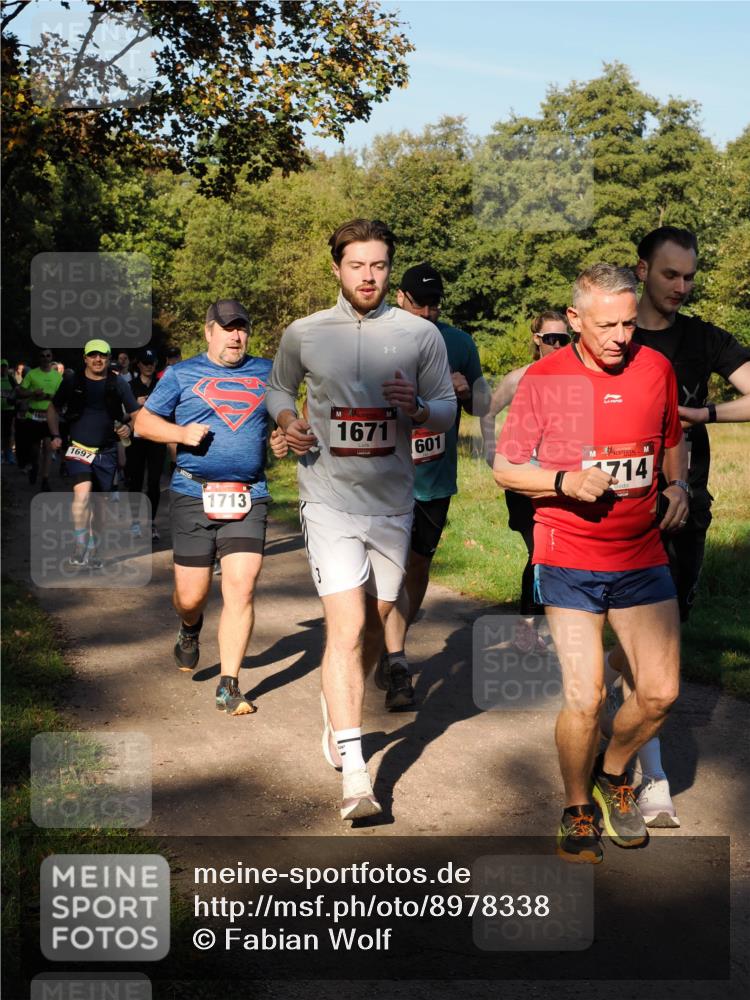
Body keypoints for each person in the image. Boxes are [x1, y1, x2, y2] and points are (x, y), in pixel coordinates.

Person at [494, 264, 688, 864]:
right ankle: (578, 808)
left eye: (629, 323)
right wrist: (563, 480)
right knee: (586, 696)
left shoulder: (654, 367)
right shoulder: (547, 378)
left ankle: (613, 772)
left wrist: (678, 487)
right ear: (575, 319)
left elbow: (670, 437)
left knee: (659, 692)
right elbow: (506, 468)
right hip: (570, 553)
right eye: (607, 325)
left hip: (640, 553)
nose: (620, 337)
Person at [267, 219, 456, 821]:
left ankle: (336, 697)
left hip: (394, 502)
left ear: (388, 269)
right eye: (357, 266)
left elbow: (448, 411)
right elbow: (277, 389)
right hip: (326, 498)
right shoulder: (305, 332)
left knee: (376, 625)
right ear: (337, 269)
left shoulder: (419, 335)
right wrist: (287, 421)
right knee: (345, 628)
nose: (368, 276)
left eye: (378, 266)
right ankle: (355, 774)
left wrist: (421, 409)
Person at [603, 226, 750, 828]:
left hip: (684, 509)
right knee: (652, 650)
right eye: (670, 275)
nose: (681, 287)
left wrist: (701, 412)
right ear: (642, 271)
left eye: (689, 277)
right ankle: (653, 771)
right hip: (612, 516)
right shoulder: (616, 336)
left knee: (658, 646)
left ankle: (609, 686)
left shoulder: (703, 339)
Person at [135, 300, 279, 717]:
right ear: (209, 332)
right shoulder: (181, 374)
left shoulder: (268, 371)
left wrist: (284, 436)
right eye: (228, 328)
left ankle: (229, 685)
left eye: (243, 328)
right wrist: (180, 432)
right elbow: (144, 424)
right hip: (193, 493)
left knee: (242, 585)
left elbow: (288, 416)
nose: (236, 336)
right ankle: (189, 626)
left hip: (248, 494)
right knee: (191, 595)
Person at [377, 262, 490, 709]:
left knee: (416, 570)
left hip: (433, 480)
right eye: (418, 302)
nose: (426, 312)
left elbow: (484, 405)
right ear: (400, 297)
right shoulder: (377, 338)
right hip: (381, 479)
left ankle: (394, 650)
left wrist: (466, 392)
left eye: (434, 304)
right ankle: (392, 655)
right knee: (385, 571)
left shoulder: (459, 343)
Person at [480, 312, 571, 652]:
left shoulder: (575, 377)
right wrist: (493, 454)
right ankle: (527, 629)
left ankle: (546, 625)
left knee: (555, 553)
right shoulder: (520, 378)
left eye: (565, 339)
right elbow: (487, 412)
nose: (558, 345)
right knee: (538, 552)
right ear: (537, 339)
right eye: (551, 339)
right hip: (523, 480)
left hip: (560, 479)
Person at [48, 340, 139, 568]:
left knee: (99, 505)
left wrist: (130, 428)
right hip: (78, 446)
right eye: (93, 355)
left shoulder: (118, 382)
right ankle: (80, 544)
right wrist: (55, 434)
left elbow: (136, 413)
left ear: (109, 359)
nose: (98, 359)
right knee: (83, 494)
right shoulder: (72, 380)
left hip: (106, 450)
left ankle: (96, 548)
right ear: (85, 358)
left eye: (103, 356)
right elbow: (52, 407)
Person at [127, 348, 166, 541]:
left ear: (155, 364)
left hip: (156, 439)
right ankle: (135, 522)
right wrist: (136, 403)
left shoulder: (162, 385)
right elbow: (121, 414)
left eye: (151, 363)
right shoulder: (129, 386)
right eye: (145, 363)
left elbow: (170, 410)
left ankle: (151, 523)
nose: (148, 366)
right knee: (135, 481)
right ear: (139, 364)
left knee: (153, 483)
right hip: (135, 439)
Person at [16, 348, 62, 491]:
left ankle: (45, 479)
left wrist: (50, 397)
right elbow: (20, 391)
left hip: (50, 417)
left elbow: (62, 395)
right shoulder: (32, 374)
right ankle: (34, 467)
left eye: (48, 355)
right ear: (39, 358)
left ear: (51, 357)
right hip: (33, 416)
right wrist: (32, 393)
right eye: (42, 356)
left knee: (48, 448)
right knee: (35, 450)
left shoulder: (57, 376)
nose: (45, 358)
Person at [1, 359, 16, 463]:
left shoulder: (11, 379)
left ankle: (9, 455)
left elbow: (17, 391)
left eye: (5, 366)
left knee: (8, 434)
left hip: (9, 410)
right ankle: (1, 455)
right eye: (1, 366)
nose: (3, 369)